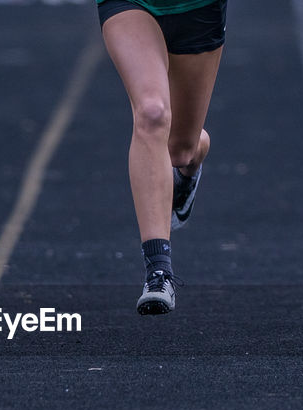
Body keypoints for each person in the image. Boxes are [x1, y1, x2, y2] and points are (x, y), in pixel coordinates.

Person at [96, 0, 227, 314]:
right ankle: (159, 272)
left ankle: (195, 157)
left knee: (179, 150)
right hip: (132, 4)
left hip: (197, 8)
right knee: (152, 113)